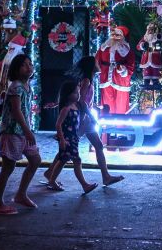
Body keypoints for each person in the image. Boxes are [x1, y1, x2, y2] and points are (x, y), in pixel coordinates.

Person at [42, 56, 124, 187]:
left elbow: (84, 100)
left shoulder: (89, 80)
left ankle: (50, 172)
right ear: (91, 66)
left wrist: (93, 107)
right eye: (96, 63)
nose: (99, 64)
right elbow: (80, 100)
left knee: (89, 146)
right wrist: (89, 114)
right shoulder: (86, 81)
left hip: (84, 118)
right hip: (83, 119)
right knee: (72, 147)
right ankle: (102, 178)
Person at [0, 54, 41, 213]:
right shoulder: (16, 86)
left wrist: (27, 130)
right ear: (16, 69)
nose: (29, 67)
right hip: (12, 131)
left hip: (23, 132)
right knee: (8, 167)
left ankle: (21, 194)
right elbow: (16, 110)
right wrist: (28, 131)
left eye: (30, 64)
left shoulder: (27, 86)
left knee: (35, 160)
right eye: (24, 65)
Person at [46, 80, 98, 195]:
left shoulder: (77, 106)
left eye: (78, 92)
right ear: (68, 94)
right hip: (67, 139)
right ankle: (84, 185)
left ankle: (51, 180)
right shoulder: (66, 109)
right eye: (75, 92)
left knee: (62, 160)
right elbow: (58, 124)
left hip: (73, 138)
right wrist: (62, 140)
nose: (78, 94)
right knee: (76, 160)